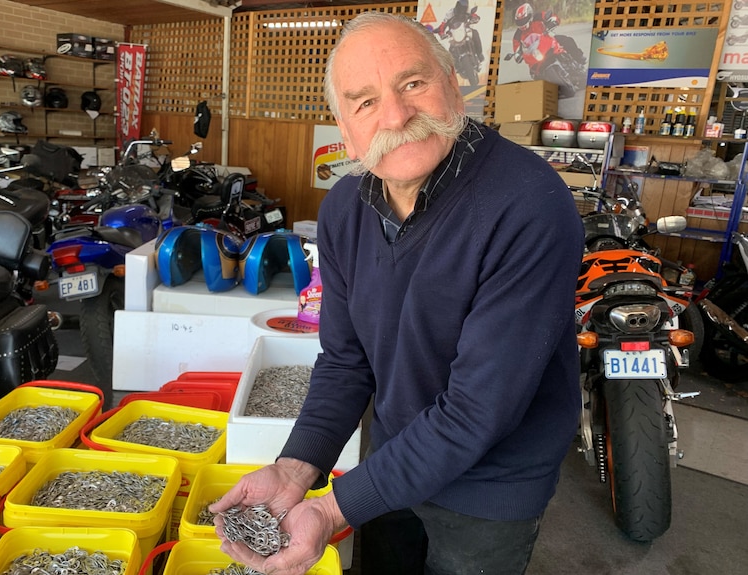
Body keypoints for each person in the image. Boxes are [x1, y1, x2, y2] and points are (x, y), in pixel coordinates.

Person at [210, 11, 584, 575]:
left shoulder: (528, 205)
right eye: (364, 102)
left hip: (491, 485)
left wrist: (333, 510)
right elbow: (345, 360)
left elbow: (477, 411)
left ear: (452, 86)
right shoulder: (343, 212)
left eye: (413, 83)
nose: (396, 115)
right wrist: (296, 468)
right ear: (344, 129)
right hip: (389, 466)